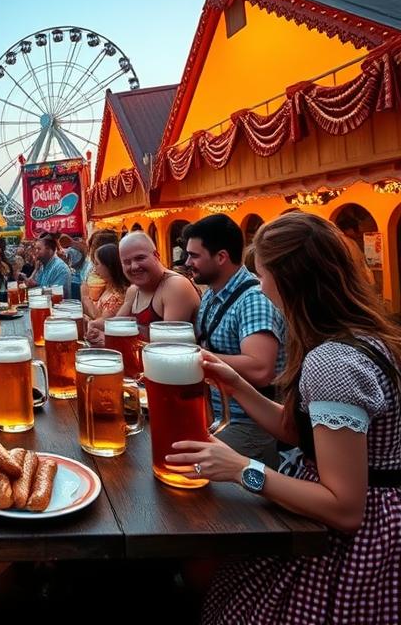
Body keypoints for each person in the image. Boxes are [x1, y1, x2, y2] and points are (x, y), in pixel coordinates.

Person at [166, 213, 401, 624]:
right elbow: (299, 432)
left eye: (263, 275)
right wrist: (237, 384)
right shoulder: (364, 339)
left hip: (352, 547)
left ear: (288, 280)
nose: (259, 286)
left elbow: (345, 509)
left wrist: (243, 469)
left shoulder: (333, 363)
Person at [183, 214, 285, 467]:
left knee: (189, 467)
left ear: (221, 257)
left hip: (250, 424)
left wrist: (195, 356)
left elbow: (260, 369)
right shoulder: (212, 294)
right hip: (218, 415)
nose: (187, 262)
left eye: (194, 256)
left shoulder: (253, 300)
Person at [89, 232, 200, 344]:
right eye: (127, 262)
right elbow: (117, 324)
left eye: (140, 258)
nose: (134, 266)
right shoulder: (133, 290)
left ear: (156, 256)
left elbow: (169, 345)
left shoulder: (174, 286)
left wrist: (109, 336)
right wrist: (95, 325)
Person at [81, 243, 127, 321]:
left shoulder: (119, 295)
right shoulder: (108, 287)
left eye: (97, 264)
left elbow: (103, 322)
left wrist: (85, 297)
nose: (94, 269)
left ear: (109, 266)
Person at [335, 215, 376, 285]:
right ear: (350, 229)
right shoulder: (344, 242)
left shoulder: (345, 241)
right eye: (357, 228)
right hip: (353, 282)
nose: (360, 231)